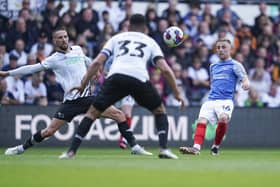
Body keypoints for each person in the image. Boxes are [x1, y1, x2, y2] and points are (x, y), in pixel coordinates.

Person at [0, 27, 150, 156]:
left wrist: (96, 70)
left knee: (119, 115)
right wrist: (8, 73)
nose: (64, 39)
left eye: (65, 36)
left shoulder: (77, 49)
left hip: (88, 98)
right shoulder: (54, 59)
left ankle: (135, 147)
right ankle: (20, 148)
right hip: (71, 101)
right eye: (60, 38)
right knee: (48, 131)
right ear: (55, 41)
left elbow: (87, 60)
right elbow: (32, 68)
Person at [63, 14, 185, 159]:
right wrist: (177, 93)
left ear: (128, 26)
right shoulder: (150, 41)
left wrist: (83, 84)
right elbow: (165, 70)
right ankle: (164, 149)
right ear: (145, 28)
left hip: (116, 78)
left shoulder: (116, 38)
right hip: (138, 78)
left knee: (92, 113)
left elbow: (96, 62)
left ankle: (71, 151)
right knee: (159, 110)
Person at [179, 38, 250, 156]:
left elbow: (244, 78)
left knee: (223, 119)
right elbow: (213, 82)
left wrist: (246, 83)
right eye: (218, 48)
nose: (220, 50)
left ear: (230, 49)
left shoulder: (236, 65)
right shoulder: (213, 66)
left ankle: (215, 146)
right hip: (211, 100)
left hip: (226, 100)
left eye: (224, 47)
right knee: (201, 121)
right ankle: (196, 148)